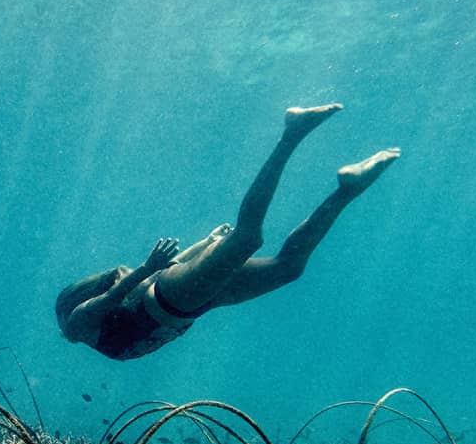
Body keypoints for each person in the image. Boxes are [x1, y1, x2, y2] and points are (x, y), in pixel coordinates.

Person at [55, 104, 399, 360]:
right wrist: (205, 243)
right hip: (192, 302)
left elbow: (119, 295)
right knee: (288, 269)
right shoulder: (99, 322)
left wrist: (149, 268)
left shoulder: (77, 324)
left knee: (248, 238)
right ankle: (347, 190)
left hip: (172, 301)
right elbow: (166, 273)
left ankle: (292, 133)